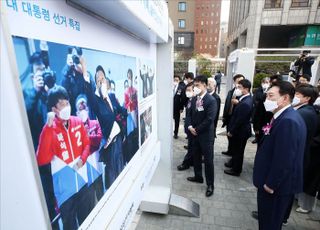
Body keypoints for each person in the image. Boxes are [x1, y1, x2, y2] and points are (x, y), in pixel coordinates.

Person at [253, 81, 307, 230]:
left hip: (275, 187)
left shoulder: (288, 121)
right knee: (267, 221)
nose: (267, 100)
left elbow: (285, 159)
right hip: (272, 182)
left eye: (271, 96)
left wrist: (271, 184)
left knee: (269, 224)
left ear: (284, 99)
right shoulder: (281, 116)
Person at [37, 86, 92, 230]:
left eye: (67, 103)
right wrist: (47, 129)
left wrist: (82, 159)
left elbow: (87, 144)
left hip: (82, 182)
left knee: (88, 221)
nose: (66, 106)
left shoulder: (77, 121)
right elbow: (42, 159)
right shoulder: (50, 129)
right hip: (64, 193)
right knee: (69, 226)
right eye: (62, 104)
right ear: (53, 109)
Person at [83, 65, 127, 189]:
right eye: (98, 78)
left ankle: (121, 188)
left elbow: (120, 111)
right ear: (96, 83)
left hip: (118, 137)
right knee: (112, 169)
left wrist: (126, 111)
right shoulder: (95, 100)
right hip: (108, 141)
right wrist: (85, 70)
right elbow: (88, 90)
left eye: (102, 77)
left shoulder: (111, 97)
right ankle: (113, 192)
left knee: (120, 164)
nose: (101, 80)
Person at [283, 84, 318, 221]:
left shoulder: (305, 113)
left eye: (298, 95)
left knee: (286, 189)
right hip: (298, 155)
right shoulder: (302, 110)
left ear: (307, 98)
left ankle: (282, 217)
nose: (295, 97)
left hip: (296, 157)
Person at [186, 75, 217, 197]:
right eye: (194, 86)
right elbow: (188, 114)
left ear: (205, 85)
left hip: (205, 136)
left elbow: (210, 119)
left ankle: (210, 184)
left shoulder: (211, 100)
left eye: (198, 85)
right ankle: (198, 176)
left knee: (208, 161)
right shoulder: (194, 99)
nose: (196, 88)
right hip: (194, 134)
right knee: (196, 156)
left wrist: (196, 130)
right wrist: (189, 127)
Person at [75, 94, 104, 203]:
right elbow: (79, 146)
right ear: (77, 112)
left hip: (96, 163)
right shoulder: (76, 130)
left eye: (84, 107)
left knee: (101, 193)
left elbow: (98, 139)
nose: (83, 110)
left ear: (88, 109)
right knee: (91, 200)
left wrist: (86, 137)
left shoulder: (95, 123)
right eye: (80, 109)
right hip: (85, 167)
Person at [224, 79, 253, 176]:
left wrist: (231, 131)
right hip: (240, 130)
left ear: (246, 89)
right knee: (237, 150)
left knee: (238, 151)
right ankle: (233, 164)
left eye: (239, 87)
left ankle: (236, 170)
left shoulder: (246, 102)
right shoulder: (243, 99)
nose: (237, 89)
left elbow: (239, 120)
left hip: (240, 132)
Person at [221, 74, 245, 156]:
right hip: (229, 116)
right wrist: (224, 116)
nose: (238, 83)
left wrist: (239, 103)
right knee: (229, 134)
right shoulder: (231, 92)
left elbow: (245, 106)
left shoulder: (243, 93)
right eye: (237, 81)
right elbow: (227, 104)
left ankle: (233, 155)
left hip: (236, 118)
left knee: (234, 136)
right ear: (234, 82)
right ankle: (230, 150)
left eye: (240, 81)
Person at [177, 82, 194, 171]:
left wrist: (190, 127)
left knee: (191, 148)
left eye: (189, 90)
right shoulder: (190, 100)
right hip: (189, 128)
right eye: (186, 90)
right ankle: (191, 162)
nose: (187, 92)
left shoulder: (195, 101)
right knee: (192, 147)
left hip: (192, 129)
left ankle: (186, 163)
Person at [252, 77, 271, 144]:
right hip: (258, 111)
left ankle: (263, 138)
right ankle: (257, 137)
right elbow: (254, 99)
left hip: (267, 118)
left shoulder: (270, 91)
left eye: (267, 82)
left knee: (265, 135)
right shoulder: (258, 90)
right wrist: (260, 103)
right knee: (258, 128)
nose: (265, 84)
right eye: (264, 82)